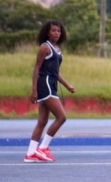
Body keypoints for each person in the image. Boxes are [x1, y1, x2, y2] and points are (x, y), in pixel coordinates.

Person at [24, 20, 76, 163]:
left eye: (58, 31)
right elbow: (36, 69)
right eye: (53, 31)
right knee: (61, 117)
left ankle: (30, 153)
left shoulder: (57, 49)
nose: (56, 33)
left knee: (42, 121)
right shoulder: (45, 48)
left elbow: (55, 72)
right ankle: (43, 147)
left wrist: (67, 85)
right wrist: (34, 90)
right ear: (47, 32)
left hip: (52, 84)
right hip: (44, 84)